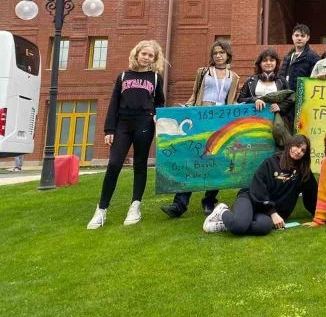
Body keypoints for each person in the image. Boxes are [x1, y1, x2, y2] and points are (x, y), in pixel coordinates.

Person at [87, 40, 165, 229]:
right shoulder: (122, 76)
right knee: (114, 164)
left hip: (144, 123)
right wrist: (109, 130)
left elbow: (160, 102)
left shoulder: (155, 78)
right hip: (122, 123)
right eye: (143, 54)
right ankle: (102, 209)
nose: (146, 58)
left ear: (154, 59)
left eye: (150, 56)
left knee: (140, 165)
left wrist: (156, 115)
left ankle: (135, 206)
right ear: (136, 54)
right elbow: (114, 103)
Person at [161, 39, 240, 218]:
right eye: (215, 53)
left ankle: (209, 200)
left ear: (228, 54)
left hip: (220, 123)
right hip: (201, 121)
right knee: (193, 159)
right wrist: (185, 110)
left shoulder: (234, 77)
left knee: (217, 161)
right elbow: (195, 94)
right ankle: (179, 204)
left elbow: (232, 100)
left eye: (222, 52)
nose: (218, 56)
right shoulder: (203, 72)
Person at [202, 135, 317, 235]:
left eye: (302, 150)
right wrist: (272, 212)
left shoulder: (303, 172)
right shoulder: (271, 162)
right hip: (251, 199)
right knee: (239, 226)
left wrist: (321, 214)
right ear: (290, 145)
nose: (298, 151)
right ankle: (222, 211)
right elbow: (258, 189)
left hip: (266, 213)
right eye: (297, 146)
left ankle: (227, 224)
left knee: (264, 227)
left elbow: (312, 195)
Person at [236, 48, 294, 148]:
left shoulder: (282, 81)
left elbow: (291, 98)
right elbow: (240, 100)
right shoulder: (251, 80)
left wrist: (280, 106)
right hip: (254, 123)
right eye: (265, 60)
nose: (268, 63)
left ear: (276, 63)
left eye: (271, 60)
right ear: (260, 63)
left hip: (276, 124)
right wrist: (255, 100)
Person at [279, 24, 320, 92]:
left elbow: (314, 79)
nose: (299, 38)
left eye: (302, 36)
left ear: (308, 38)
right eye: (297, 35)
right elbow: (281, 77)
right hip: (286, 95)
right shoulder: (288, 56)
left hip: (302, 96)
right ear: (292, 37)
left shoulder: (313, 57)